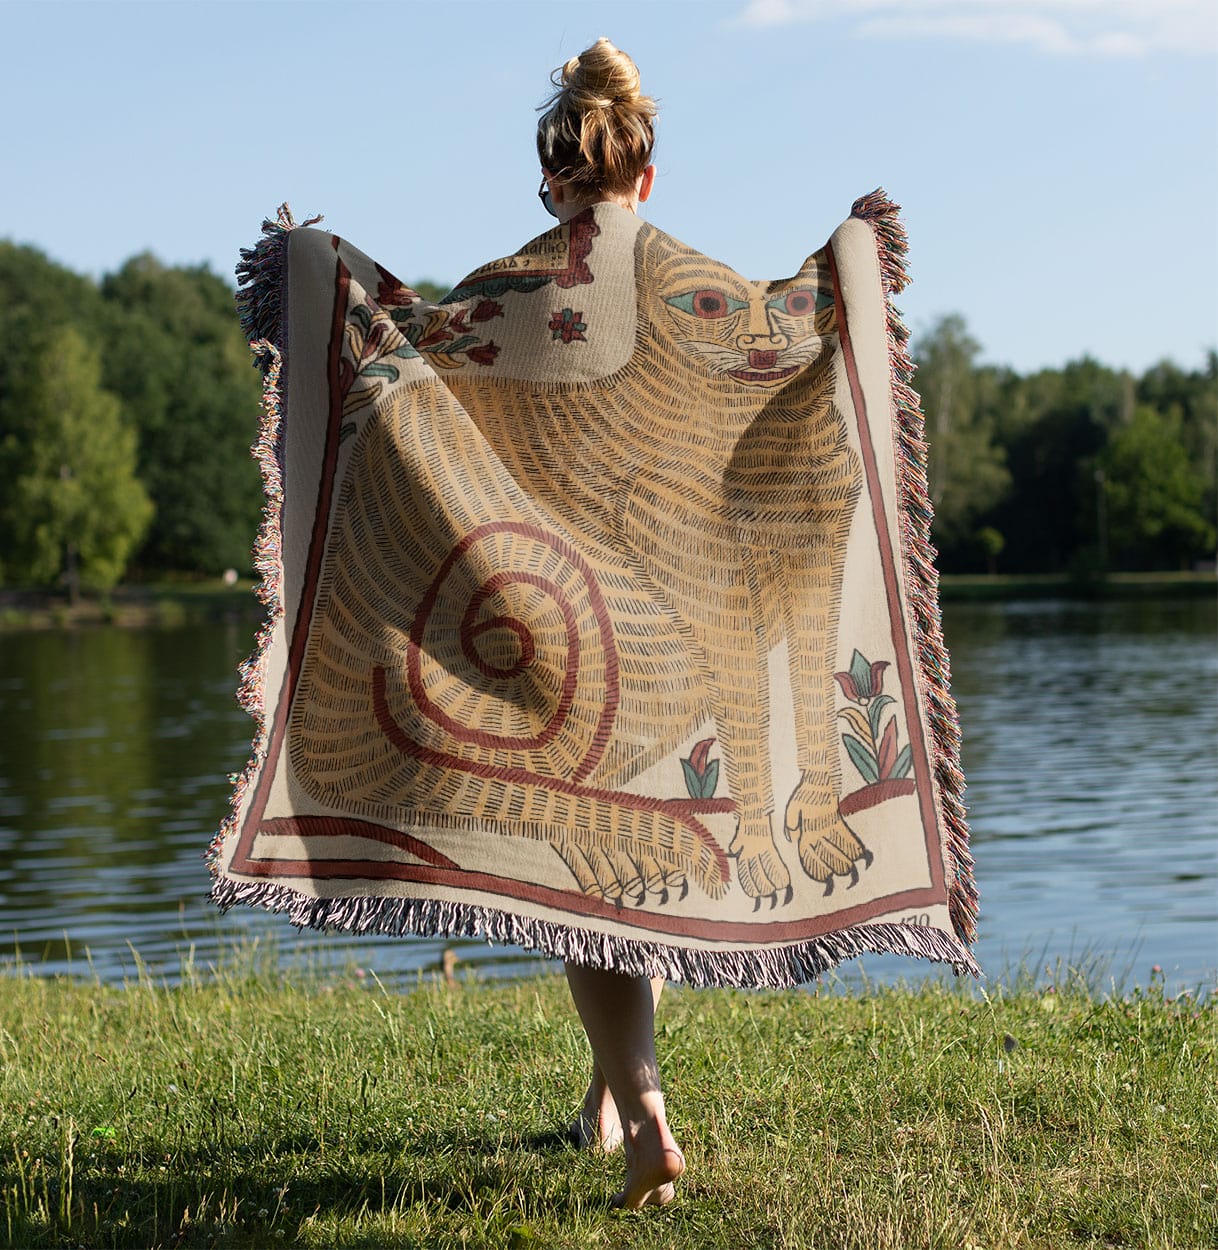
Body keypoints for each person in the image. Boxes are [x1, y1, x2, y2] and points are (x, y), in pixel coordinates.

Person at [534, 37, 684, 1212]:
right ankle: (602, 1098)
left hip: (564, 628)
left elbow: (416, 391)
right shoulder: (696, 291)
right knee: (626, 874)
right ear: (645, 174)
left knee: (585, 890)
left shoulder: (518, 288)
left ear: (551, 183)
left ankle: (645, 1118)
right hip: (676, 620)